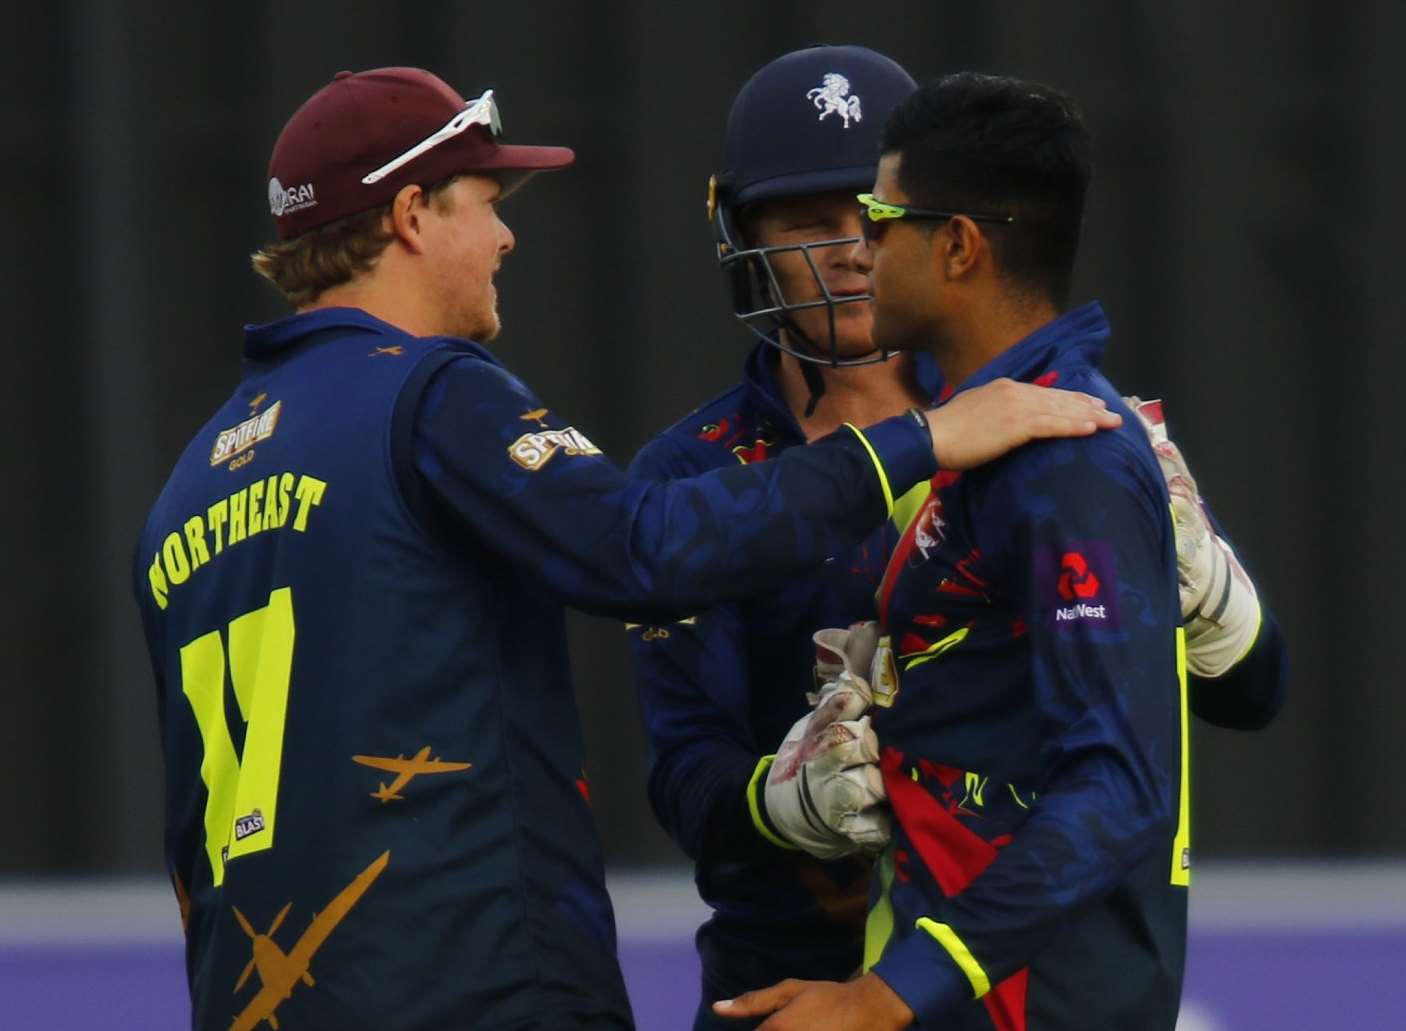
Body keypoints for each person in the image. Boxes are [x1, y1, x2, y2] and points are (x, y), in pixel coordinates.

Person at [131, 67, 1121, 1031]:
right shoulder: (431, 390)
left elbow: (186, 842)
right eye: (484, 200)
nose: (505, 235)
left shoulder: (182, 494)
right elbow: (637, 544)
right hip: (466, 978)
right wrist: (919, 440)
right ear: (410, 215)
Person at [626, 47, 1284, 1030]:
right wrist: (785, 797)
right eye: (808, 222)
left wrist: (1207, 595)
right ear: (741, 236)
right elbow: (684, 776)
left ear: (954, 238)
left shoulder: (1053, 428)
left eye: (873, 215)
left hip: (990, 972)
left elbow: (1239, 698)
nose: (852, 248)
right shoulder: (692, 476)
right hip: (795, 975)